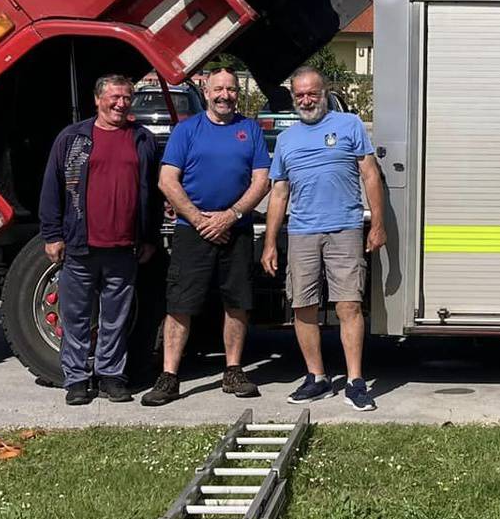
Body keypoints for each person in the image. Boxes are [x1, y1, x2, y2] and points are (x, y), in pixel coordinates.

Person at [143, 68, 271, 406]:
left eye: (230, 89)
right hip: (192, 232)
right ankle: (169, 376)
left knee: (237, 303)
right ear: (206, 91)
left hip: (237, 231)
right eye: (218, 88)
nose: (225, 95)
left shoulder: (250, 130)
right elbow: (167, 181)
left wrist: (230, 216)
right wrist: (201, 220)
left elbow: (262, 181)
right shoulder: (187, 130)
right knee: (180, 304)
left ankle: (233, 370)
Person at [261, 68, 387, 410]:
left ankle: (355, 381)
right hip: (301, 232)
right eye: (300, 95)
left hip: (344, 229)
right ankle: (316, 378)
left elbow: (370, 174)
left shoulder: (350, 125)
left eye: (312, 93)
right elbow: (278, 193)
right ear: (293, 98)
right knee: (303, 306)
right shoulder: (287, 139)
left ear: (324, 92)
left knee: (348, 305)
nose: (306, 100)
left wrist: (377, 224)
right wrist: (271, 242)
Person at [38, 73, 161, 405]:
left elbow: (152, 194)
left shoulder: (142, 139)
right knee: (76, 317)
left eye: (126, 98)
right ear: (98, 99)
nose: (121, 104)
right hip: (80, 246)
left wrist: (148, 237)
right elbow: (52, 189)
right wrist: (52, 235)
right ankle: (77, 379)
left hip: (124, 248)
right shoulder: (74, 138)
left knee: (115, 319)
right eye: (114, 97)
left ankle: (111, 377)